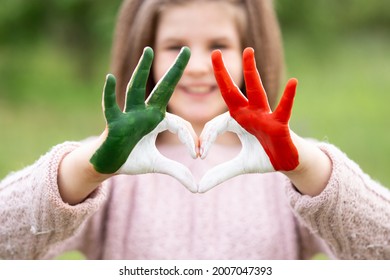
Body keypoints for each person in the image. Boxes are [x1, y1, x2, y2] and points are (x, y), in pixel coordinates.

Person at [1, 0, 389, 260]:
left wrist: (307, 167)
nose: (199, 66)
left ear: (250, 50)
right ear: (144, 53)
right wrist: (86, 170)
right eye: (176, 47)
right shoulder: (110, 170)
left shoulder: (286, 176)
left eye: (219, 44)